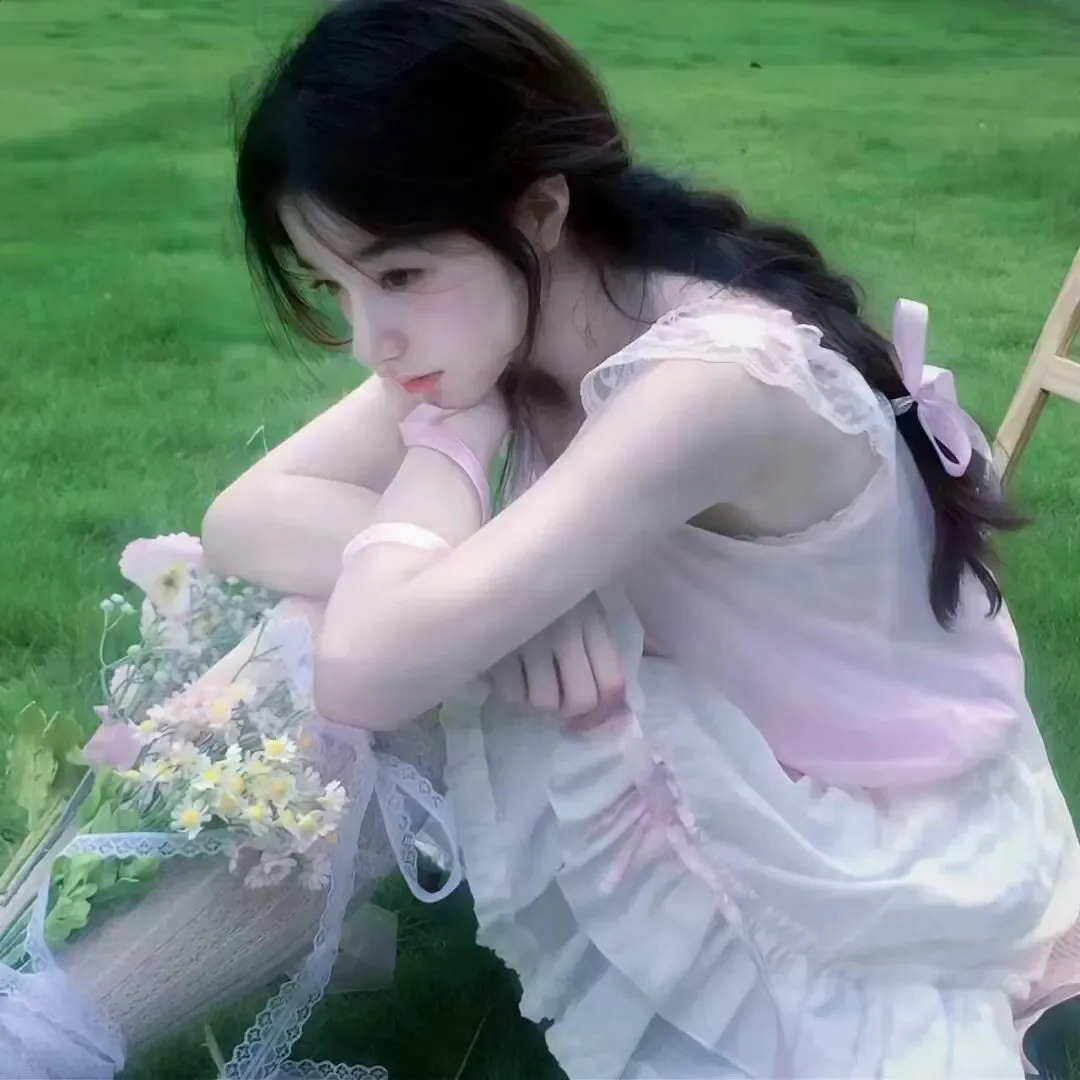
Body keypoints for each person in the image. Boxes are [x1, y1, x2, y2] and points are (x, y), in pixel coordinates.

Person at [202, 0, 1080, 1075]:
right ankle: (117, 982)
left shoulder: (709, 382)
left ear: (539, 211)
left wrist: (458, 508)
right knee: (387, 610)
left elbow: (366, 670)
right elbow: (242, 517)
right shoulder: (504, 317)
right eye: (332, 287)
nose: (369, 341)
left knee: (397, 633)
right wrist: (514, 593)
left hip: (877, 821)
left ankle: (82, 1011)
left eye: (395, 274)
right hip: (768, 731)